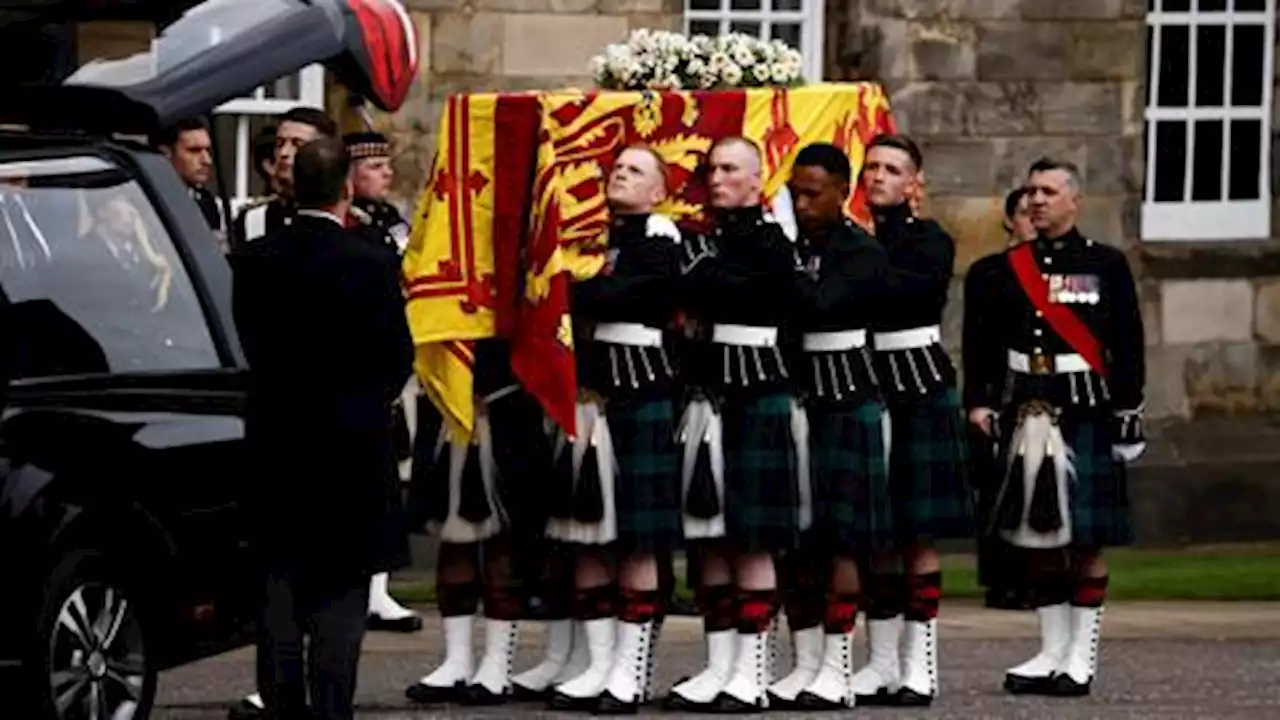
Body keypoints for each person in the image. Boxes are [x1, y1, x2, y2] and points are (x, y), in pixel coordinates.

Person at [229, 137, 413, 720]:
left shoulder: (255, 260)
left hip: (275, 442)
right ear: (345, 190)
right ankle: (332, 709)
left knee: (278, 589)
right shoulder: (372, 261)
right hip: (352, 447)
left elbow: (245, 347)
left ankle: (284, 708)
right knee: (341, 592)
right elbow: (396, 356)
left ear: (292, 186)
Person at [964, 157, 1145, 698]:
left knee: (1085, 538)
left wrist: (1128, 413)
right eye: (1031, 192)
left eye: (1048, 191)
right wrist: (980, 401)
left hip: (1084, 409)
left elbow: (1128, 343)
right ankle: (1050, 650)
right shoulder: (1003, 270)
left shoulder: (1106, 264)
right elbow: (983, 345)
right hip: (1027, 409)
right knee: (1037, 537)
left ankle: (1080, 657)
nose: (1037, 200)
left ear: (1074, 200)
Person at [539, 145, 683, 713]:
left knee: (639, 539)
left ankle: (631, 671)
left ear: (658, 191)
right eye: (616, 168)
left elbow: (627, 293)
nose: (619, 174)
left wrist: (572, 288)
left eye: (635, 171)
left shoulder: (660, 240)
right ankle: (601, 664)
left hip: (641, 392)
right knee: (589, 532)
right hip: (595, 396)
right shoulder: (604, 240)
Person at [663, 136, 803, 712]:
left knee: (752, 537)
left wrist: (699, 282)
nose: (716, 178)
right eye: (711, 169)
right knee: (710, 538)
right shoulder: (708, 242)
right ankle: (720, 666)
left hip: (756, 394)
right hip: (709, 396)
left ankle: (753, 671)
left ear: (755, 177)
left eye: (728, 169)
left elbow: (732, 291)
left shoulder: (770, 241)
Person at [761, 143, 892, 710]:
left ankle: (837, 667)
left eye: (813, 193)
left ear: (843, 190)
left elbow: (817, 305)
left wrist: (782, 259)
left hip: (845, 402)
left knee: (842, 542)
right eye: (796, 191)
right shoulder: (798, 249)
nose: (803, 202)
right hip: (803, 403)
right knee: (798, 543)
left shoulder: (860, 251)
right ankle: (806, 662)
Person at [858, 133, 971, 707]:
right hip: (864, 381)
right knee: (877, 530)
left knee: (918, 531)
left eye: (891, 169)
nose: (878, 176)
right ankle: (878, 662)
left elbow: (906, 293)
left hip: (918, 384)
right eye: (871, 166)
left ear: (912, 185)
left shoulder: (931, 239)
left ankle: (918, 664)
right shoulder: (847, 238)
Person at [403, 338, 555, 706]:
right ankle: (457, 661)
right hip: (447, 401)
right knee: (454, 540)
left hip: (507, 403)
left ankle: (497, 664)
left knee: (504, 542)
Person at [340, 130, 424, 636]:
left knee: (392, 475)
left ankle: (378, 588)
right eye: (374, 167)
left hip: (395, 364)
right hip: (358, 368)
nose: (386, 174)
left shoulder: (393, 223)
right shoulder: (350, 229)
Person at [972, 186, 1042, 612]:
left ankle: (1040, 577)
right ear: (1009, 221)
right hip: (1003, 390)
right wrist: (979, 400)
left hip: (1046, 392)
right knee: (999, 491)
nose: (1032, 220)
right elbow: (977, 341)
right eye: (1024, 213)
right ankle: (1002, 580)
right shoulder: (989, 273)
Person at [234, 108, 338, 245]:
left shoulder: (349, 220)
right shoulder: (252, 220)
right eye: (279, 144)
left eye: (297, 144)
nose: (284, 153)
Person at [152, 117, 225, 245]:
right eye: (194, 151)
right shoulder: (147, 201)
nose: (207, 160)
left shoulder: (206, 202)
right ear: (165, 153)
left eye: (207, 150)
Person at [344, 131, 412, 254]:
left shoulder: (389, 213)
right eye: (376, 167)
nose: (388, 173)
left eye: (388, 165)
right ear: (349, 174)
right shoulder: (345, 220)